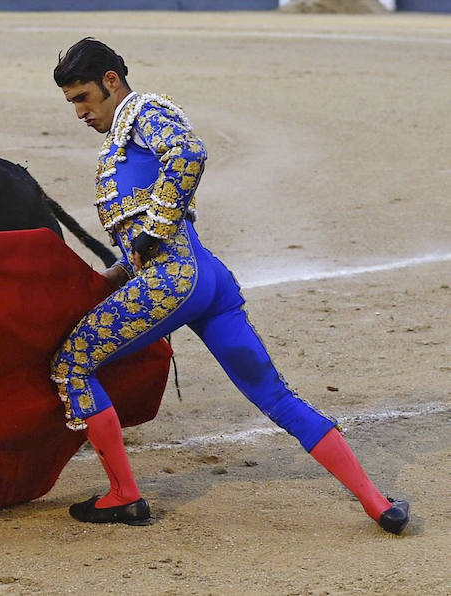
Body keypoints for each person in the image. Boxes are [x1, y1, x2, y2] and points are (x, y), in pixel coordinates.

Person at [50, 37, 409, 533]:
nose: (79, 113)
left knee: (72, 364)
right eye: (72, 103)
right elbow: (148, 225)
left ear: (111, 81)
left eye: (83, 98)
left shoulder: (143, 111)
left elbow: (189, 152)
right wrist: (116, 273)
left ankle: (124, 495)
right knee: (274, 395)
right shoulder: (124, 137)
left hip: (174, 281)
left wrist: (155, 227)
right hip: (207, 281)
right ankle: (377, 503)